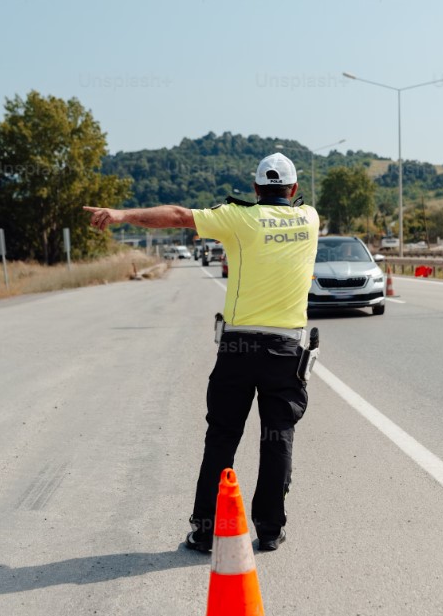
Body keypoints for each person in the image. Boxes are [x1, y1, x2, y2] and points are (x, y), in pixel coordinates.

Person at [84, 152, 319, 552]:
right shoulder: (310, 219)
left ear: (256, 188)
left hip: (239, 348)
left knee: (223, 437)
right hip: (285, 349)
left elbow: (176, 215)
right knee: (277, 437)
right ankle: (270, 529)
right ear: (294, 189)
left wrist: (122, 215)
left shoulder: (238, 218)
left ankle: (207, 530)